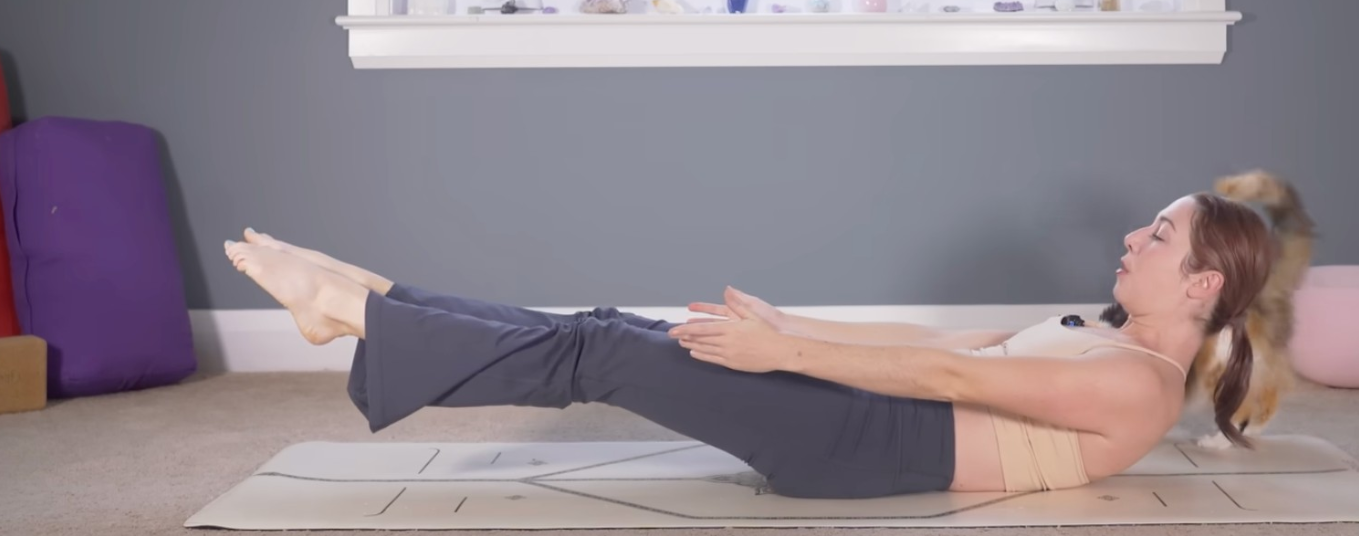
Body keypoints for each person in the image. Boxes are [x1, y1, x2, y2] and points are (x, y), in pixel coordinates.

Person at [221, 192, 1276, 498]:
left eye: (1160, 234)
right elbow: (937, 340)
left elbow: (951, 381)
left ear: (1203, 282)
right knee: (610, 332)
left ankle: (361, 316)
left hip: (870, 448)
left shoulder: (1140, 387)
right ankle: (376, 302)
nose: (1133, 236)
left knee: (604, 357)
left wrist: (786, 360)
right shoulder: (1095, 331)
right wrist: (790, 327)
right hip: (878, 410)